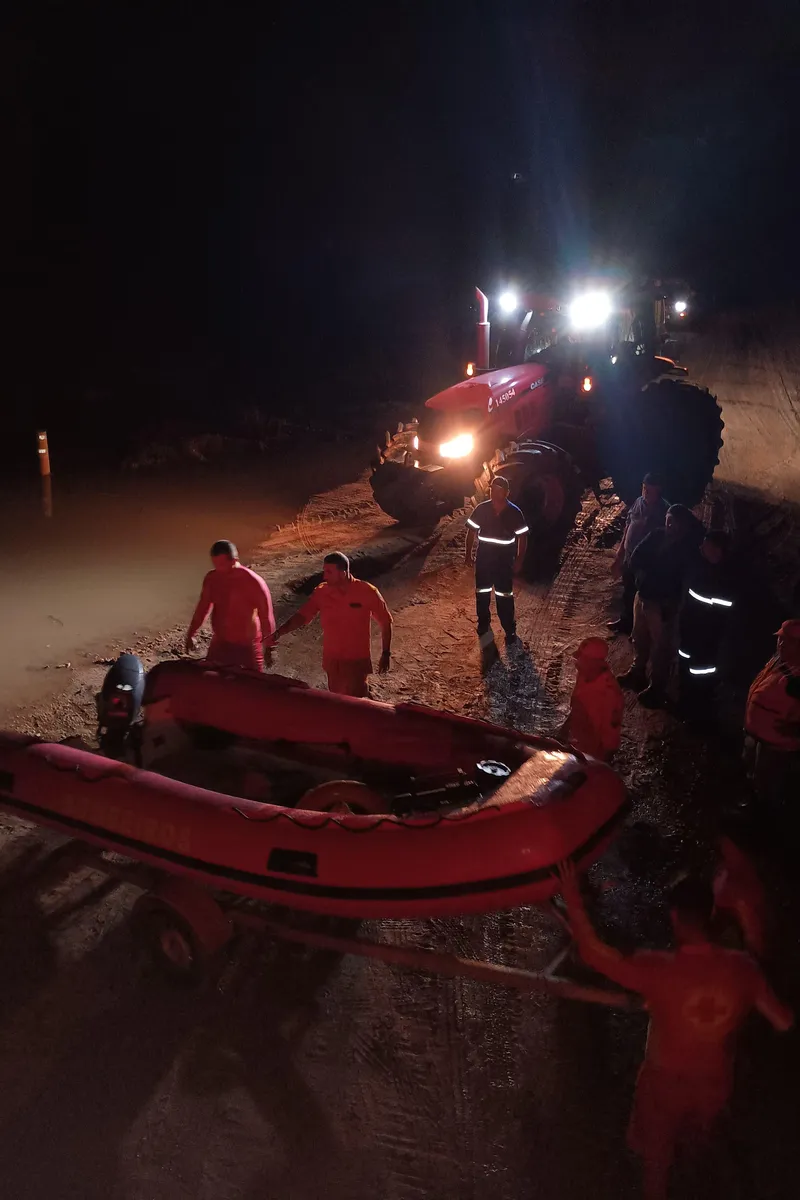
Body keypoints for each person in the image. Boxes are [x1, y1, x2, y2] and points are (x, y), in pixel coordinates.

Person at [557, 860, 792, 1200]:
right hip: (714, 1085)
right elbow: (783, 1020)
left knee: (657, 1165)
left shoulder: (657, 969)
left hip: (664, 1086)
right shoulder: (744, 968)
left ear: (674, 917)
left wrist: (573, 901)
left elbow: (593, 953)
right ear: (711, 913)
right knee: (702, 1151)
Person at [269, 551, 392, 697]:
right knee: (336, 699)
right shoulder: (322, 592)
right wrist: (278, 633)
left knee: (356, 700)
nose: (325, 576)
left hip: (356, 660)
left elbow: (386, 621)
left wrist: (385, 653)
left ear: (343, 572)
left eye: (329, 572)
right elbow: (302, 616)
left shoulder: (367, 591)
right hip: (332, 660)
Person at [618, 504, 702, 708]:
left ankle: (657, 687)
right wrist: (641, 574)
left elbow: (685, 582)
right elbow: (637, 556)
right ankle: (638, 672)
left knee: (660, 648)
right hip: (643, 597)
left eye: (674, 521)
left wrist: (676, 606)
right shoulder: (656, 536)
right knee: (639, 637)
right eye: (668, 519)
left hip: (663, 605)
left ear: (683, 525)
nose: (670, 524)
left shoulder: (688, 549)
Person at [185, 540, 275, 671]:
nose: (218, 568)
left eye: (222, 564)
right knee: (211, 681)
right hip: (220, 642)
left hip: (247, 645)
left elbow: (266, 617)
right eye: (215, 564)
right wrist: (191, 633)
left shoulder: (254, 583)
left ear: (234, 560)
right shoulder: (212, 579)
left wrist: (269, 647)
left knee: (251, 684)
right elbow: (202, 608)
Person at [743, 619, 800, 814]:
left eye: (789, 641)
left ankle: (763, 819)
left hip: (777, 743)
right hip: (760, 734)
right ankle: (754, 806)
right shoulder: (778, 660)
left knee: (768, 780)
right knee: (754, 772)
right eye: (780, 640)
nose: (781, 644)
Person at [678, 530, 737, 716]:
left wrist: (702, 630)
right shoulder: (701, 566)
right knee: (685, 663)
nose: (701, 547)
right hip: (690, 630)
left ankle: (700, 709)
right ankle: (686, 700)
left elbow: (721, 609)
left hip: (706, 636)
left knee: (702, 671)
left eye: (706, 544)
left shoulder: (724, 577)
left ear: (717, 550)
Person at [464, 476, 528, 643]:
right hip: (484, 558)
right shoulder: (482, 509)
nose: (494, 492)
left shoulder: (515, 512)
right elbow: (471, 532)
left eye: (498, 490)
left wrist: (519, 560)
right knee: (482, 592)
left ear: (507, 492)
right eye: (492, 489)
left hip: (504, 560)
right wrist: (468, 554)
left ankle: (509, 629)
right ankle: (483, 624)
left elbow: (523, 537)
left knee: (504, 595)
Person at [609, 474, 669, 635]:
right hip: (630, 556)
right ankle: (625, 622)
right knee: (628, 590)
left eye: (650, 490)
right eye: (644, 488)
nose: (646, 493)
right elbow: (628, 525)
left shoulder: (664, 511)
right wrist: (621, 551)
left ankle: (641, 630)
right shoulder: (638, 503)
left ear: (659, 490)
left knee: (642, 596)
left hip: (646, 562)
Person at [562, 637, 624, 760]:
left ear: (595, 663)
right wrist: (566, 726)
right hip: (580, 742)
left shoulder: (610, 693)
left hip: (594, 752)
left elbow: (611, 732)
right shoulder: (585, 674)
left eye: (582, 659)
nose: (577, 662)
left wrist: (602, 761)